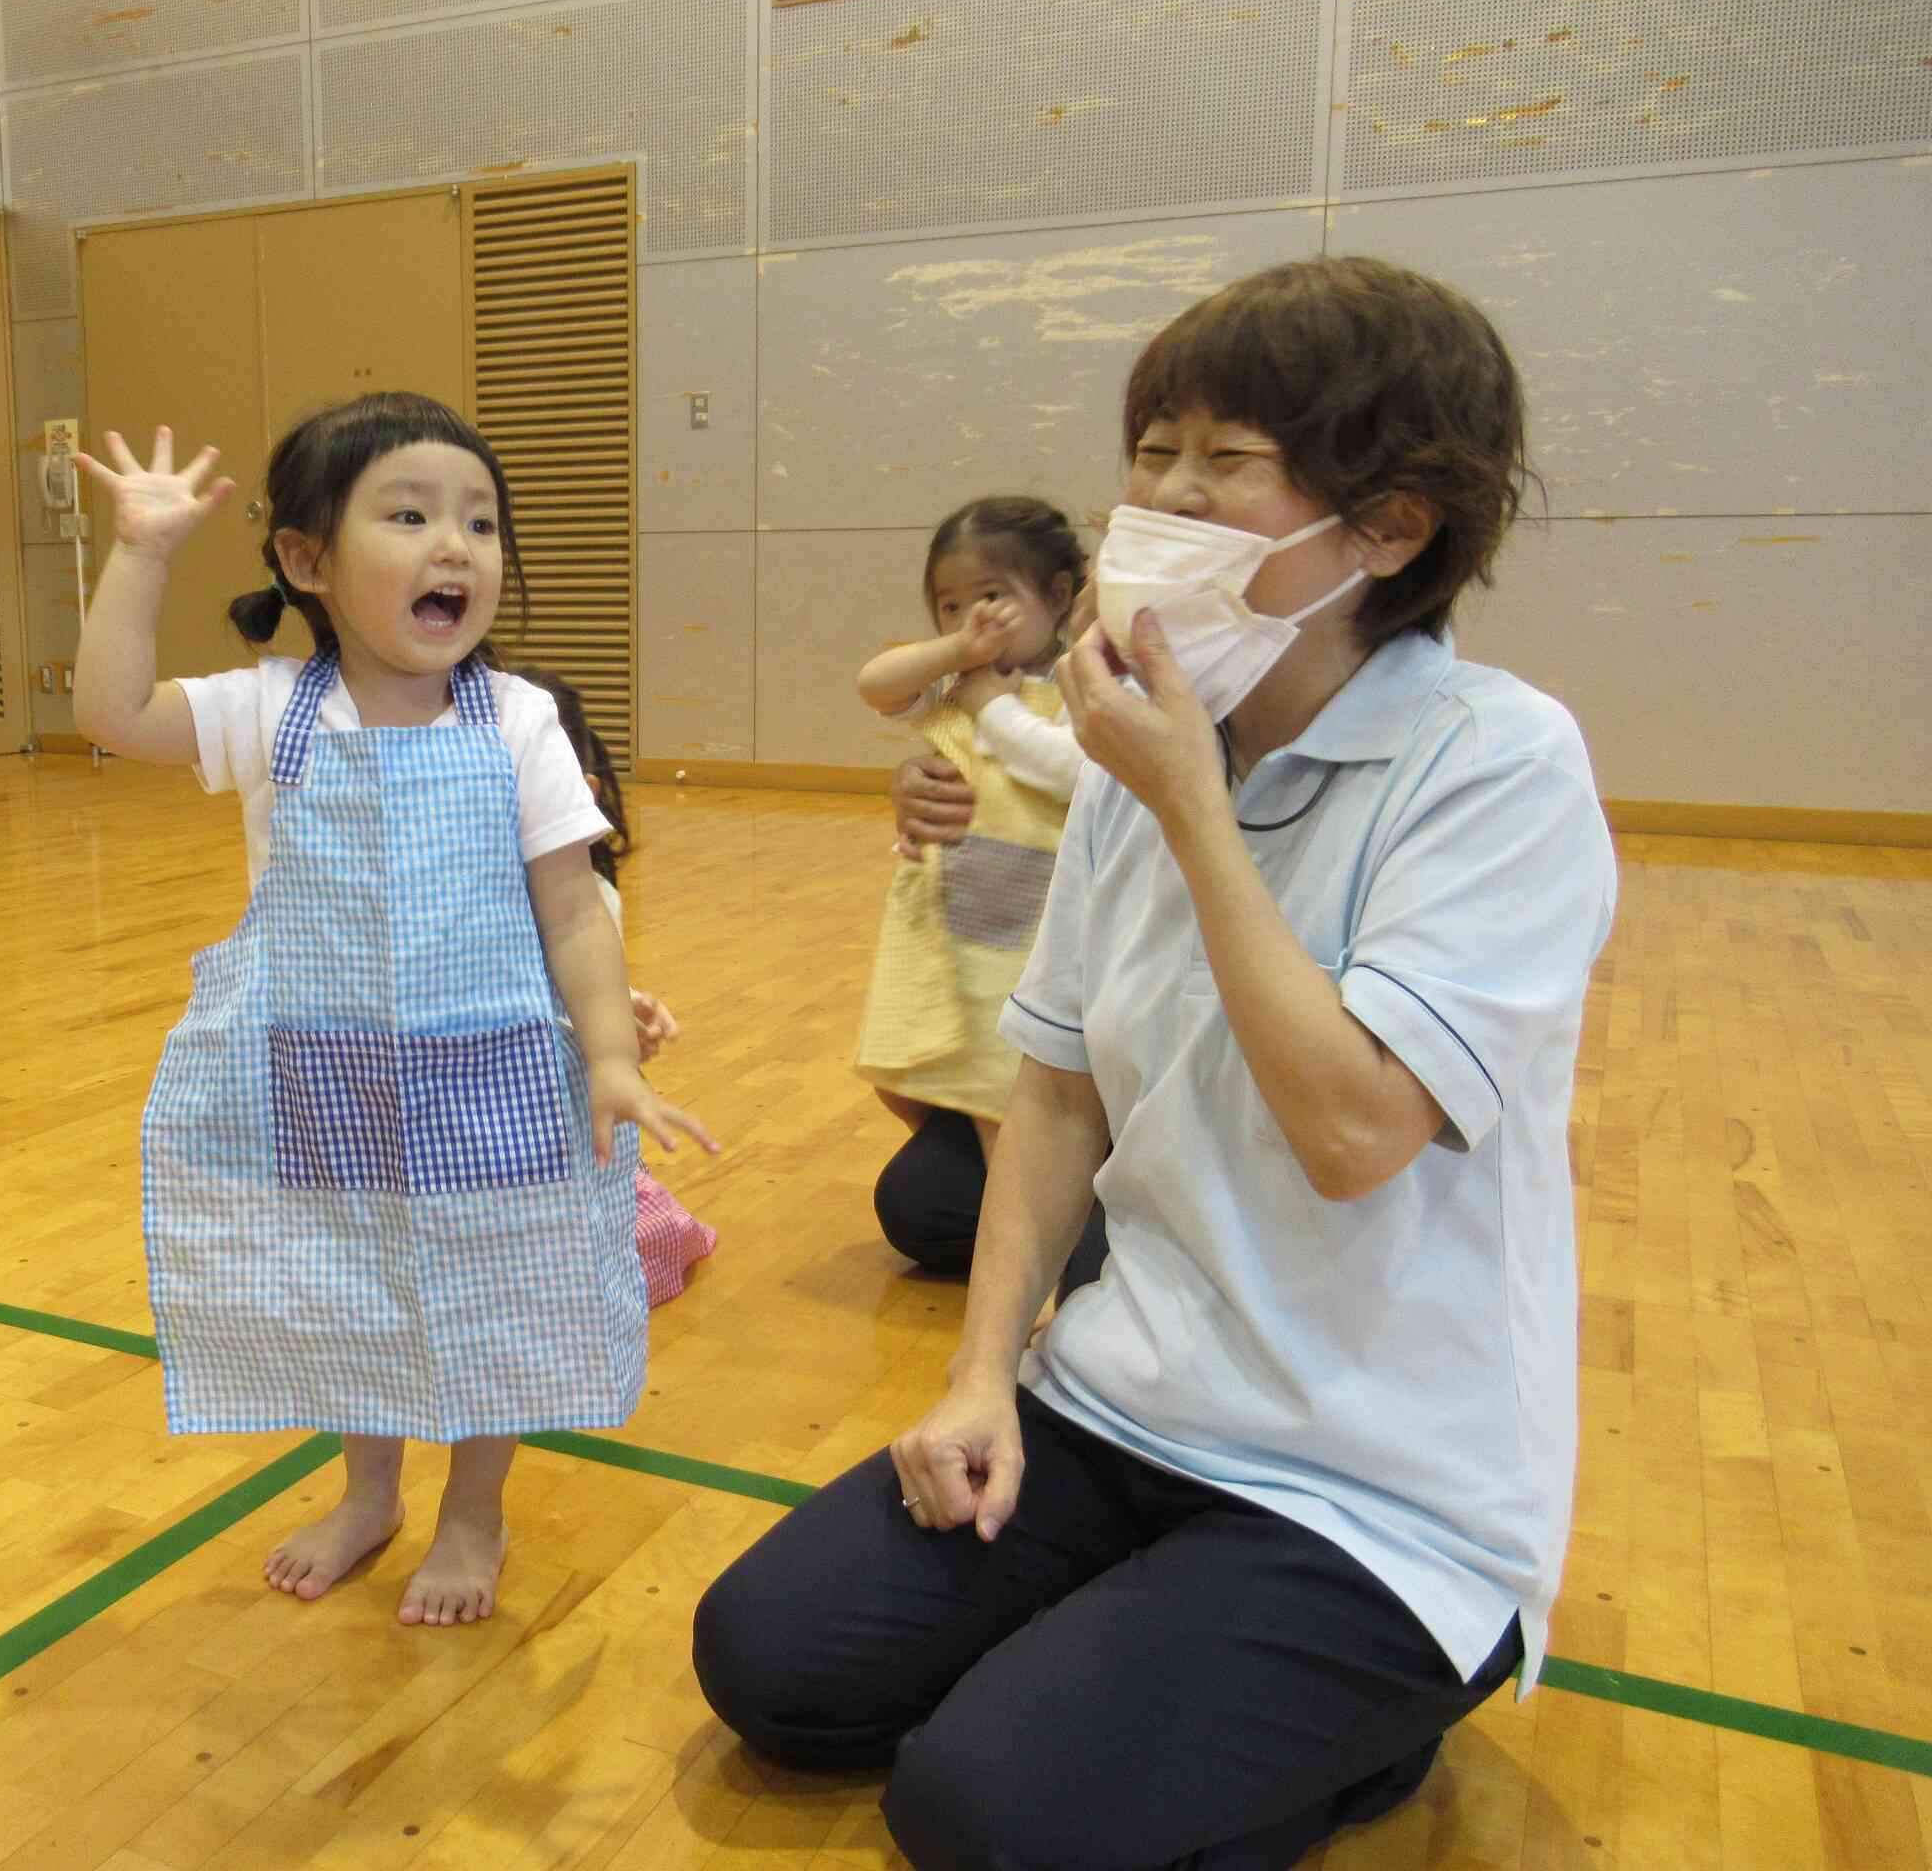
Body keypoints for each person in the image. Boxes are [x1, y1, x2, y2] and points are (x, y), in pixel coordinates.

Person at [693, 256, 1617, 1868]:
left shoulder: (1497, 763)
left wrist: (1192, 804)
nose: (1162, 501)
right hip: (1125, 1402)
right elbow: (1051, 1092)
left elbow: (1351, 1130)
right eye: (1152, 452)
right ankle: (1152, 1691)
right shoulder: (1146, 751)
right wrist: (983, 1370)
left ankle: (1361, 1724)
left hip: (1373, 1491)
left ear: (1390, 526)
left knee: (981, 1812)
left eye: (1222, 463)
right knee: (771, 1662)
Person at [72, 393, 713, 1629]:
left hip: (497, 1073)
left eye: (479, 520)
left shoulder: (518, 720)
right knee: (348, 1282)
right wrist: (142, 554)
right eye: (410, 515)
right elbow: (108, 712)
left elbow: (576, 911)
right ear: (307, 560)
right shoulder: (269, 711)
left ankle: (475, 1508)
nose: (454, 545)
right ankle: (368, 1492)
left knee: (500, 1286)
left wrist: (612, 1056)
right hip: (328, 1071)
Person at [851, 499, 1089, 1276]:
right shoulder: (951, 682)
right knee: (921, 1075)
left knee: (1003, 1092)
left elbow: (1072, 773)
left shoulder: (1087, 680)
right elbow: (876, 683)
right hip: (961, 926)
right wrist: (957, 649)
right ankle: (1031, 1220)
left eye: (991, 598)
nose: (970, 619)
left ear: (1058, 595)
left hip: (1039, 941)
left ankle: (1036, 1242)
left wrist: (993, 706)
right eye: (950, 604)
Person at [510, 662, 720, 1307]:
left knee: (621, 1251)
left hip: (547, 1116)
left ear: (582, 793)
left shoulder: (588, 900)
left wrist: (624, 1020)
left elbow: (577, 997)